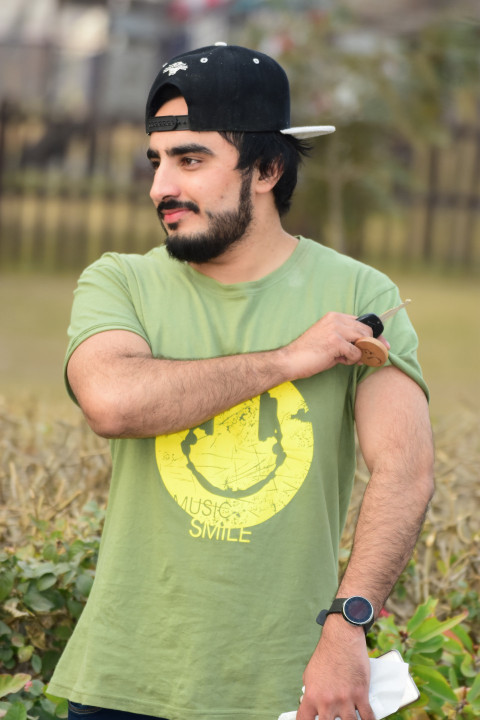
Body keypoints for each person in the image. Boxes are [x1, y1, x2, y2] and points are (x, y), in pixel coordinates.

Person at [48, 42, 434, 720]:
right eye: (157, 160)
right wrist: (290, 360)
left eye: (190, 160)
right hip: (124, 680)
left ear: (267, 168)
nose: (161, 187)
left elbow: (405, 468)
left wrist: (348, 626)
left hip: (287, 687)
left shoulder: (359, 291)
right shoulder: (120, 282)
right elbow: (111, 401)